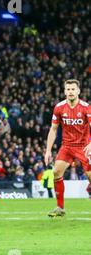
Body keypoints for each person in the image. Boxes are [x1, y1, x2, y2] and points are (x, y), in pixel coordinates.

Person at [44, 79, 91, 217]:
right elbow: (53, 130)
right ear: (65, 91)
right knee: (56, 172)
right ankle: (60, 208)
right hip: (67, 146)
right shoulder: (59, 108)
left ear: (78, 91)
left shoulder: (86, 108)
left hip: (83, 147)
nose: (70, 92)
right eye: (68, 89)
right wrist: (48, 150)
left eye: (73, 89)